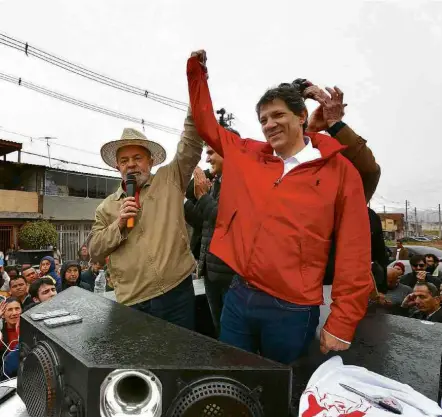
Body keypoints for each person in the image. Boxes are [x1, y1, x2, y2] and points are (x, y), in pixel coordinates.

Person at [187, 50, 372, 363]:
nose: (269, 125)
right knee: (232, 379)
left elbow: (355, 251)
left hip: (292, 309)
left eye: (278, 115)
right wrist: (197, 74)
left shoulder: (340, 171)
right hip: (239, 294)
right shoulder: (248, 153)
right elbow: (206, 124)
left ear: (301, 116)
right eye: (263, 119)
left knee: (282, 388)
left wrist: (342, 320)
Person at [87, 112, 203, 330]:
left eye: (137, 158)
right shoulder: (106, 207)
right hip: (133, 302)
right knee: (143, 363)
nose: (131, 165)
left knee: (180, 357)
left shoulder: (170, 180)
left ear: (150, 161)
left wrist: (194, 101)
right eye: (124, 160)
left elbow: (191, 143)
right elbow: (94, 250)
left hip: (176, 293)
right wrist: (119, 225)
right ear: (117, 167)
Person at [0, 297, 21, 380]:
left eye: (17, 309)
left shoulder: (28, 330)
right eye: (10, 310)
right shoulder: (1, 333)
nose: (14, 313)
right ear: (3, 314)